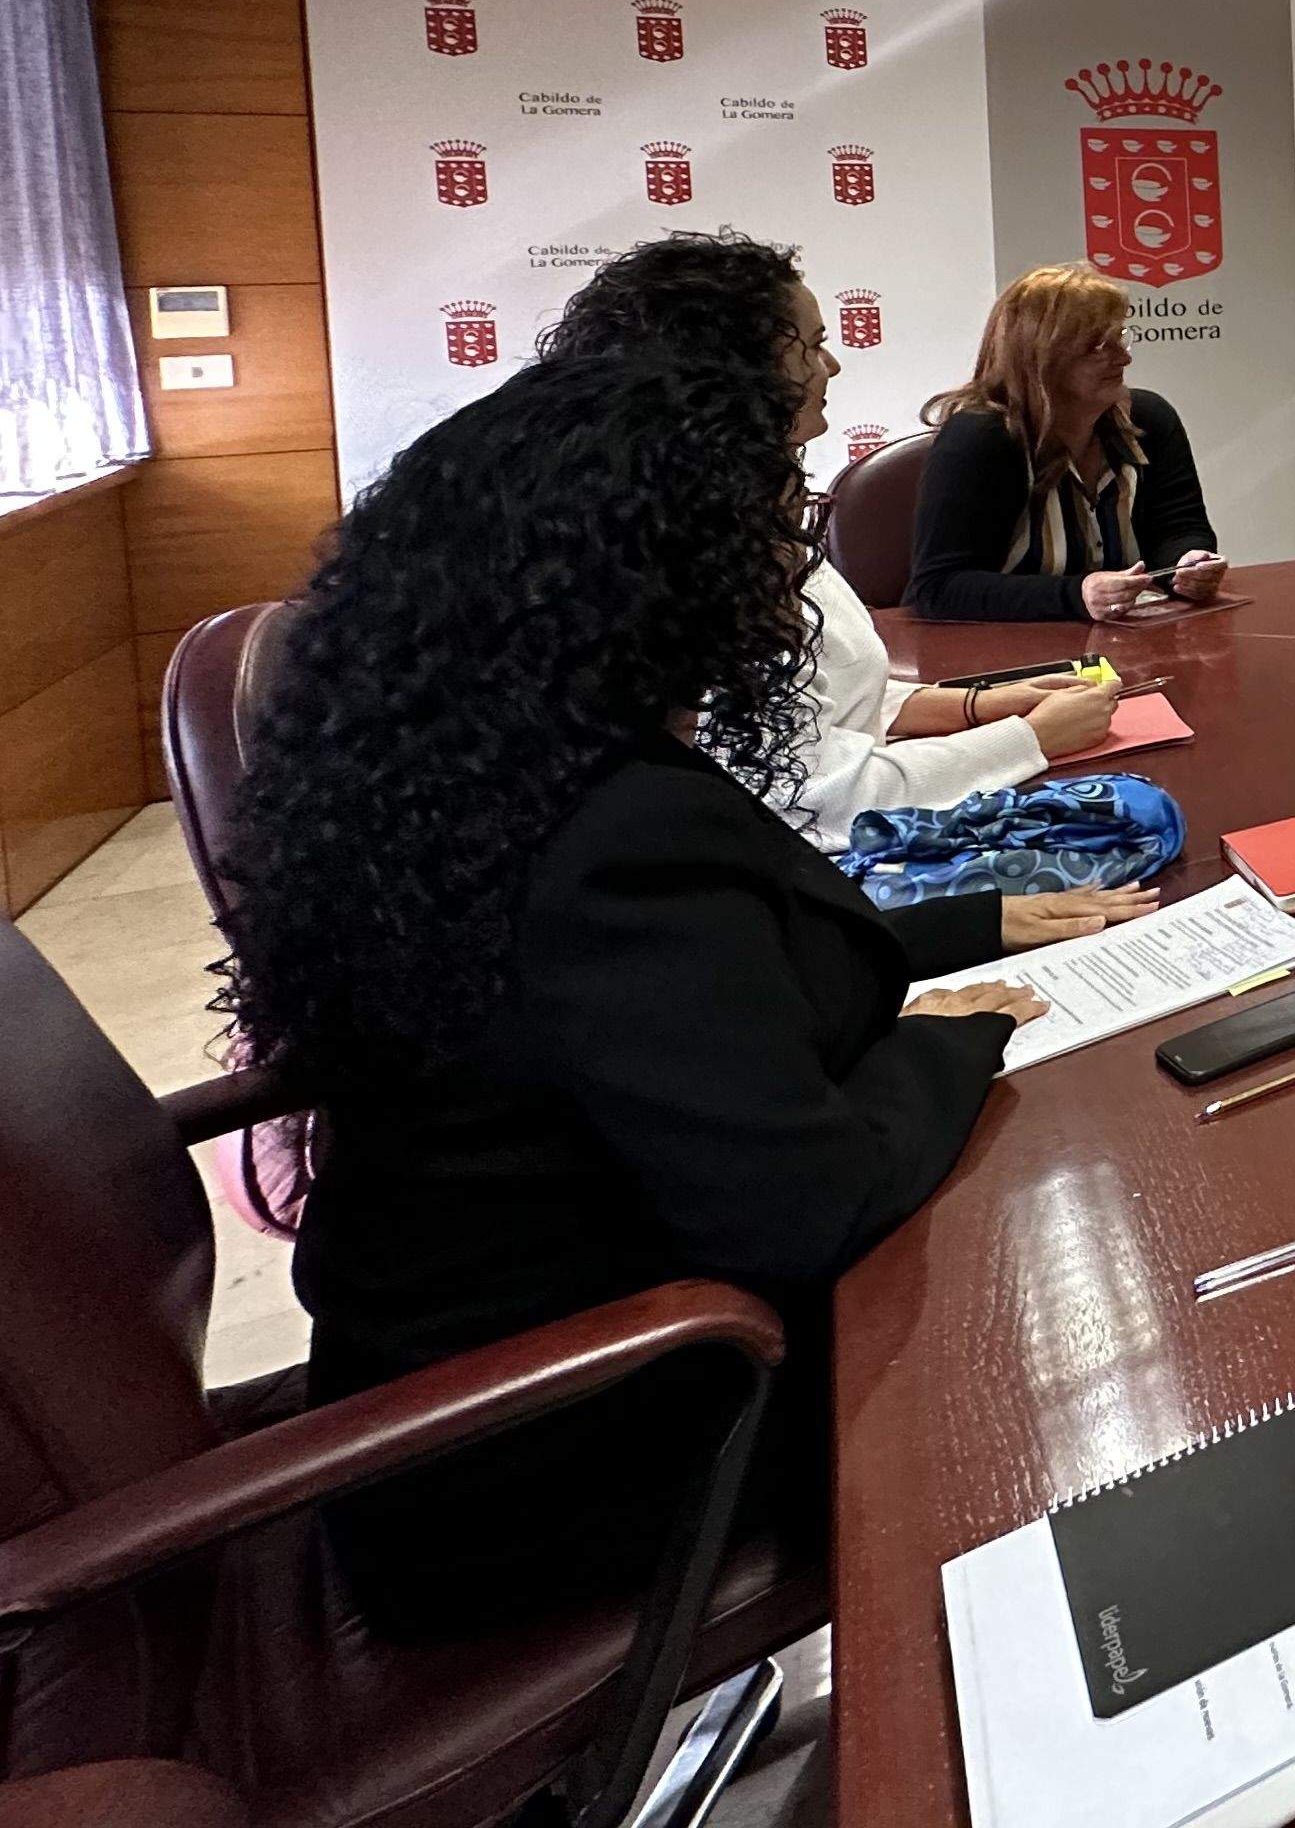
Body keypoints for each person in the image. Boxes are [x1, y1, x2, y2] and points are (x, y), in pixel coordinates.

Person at [221, 354, 1154, 1638]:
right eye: (768, 527)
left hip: (460, 1380)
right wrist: (955, 1037)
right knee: (1069, 1322)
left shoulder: (474, 770)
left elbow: (703, 989)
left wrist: (961, 926)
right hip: (566, 1454)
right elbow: (810, 1204)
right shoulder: (616, 833)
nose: (793, 561)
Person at [539, 234, 1120, 848]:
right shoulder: (686, 556)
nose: (832, 365)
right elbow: (813, 797)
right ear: (735, 372)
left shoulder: (735, 504)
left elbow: (828, 694)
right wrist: (1030, 740)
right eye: (814, 345)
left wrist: (975, 706)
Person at [906, 266, 1231, 623]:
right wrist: (1076, 594)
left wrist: (1186, 563)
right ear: (1042, 359)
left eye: (1121, 338)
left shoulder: (1150, 420)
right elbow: (938, 587)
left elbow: (1180, 527)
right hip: (998, 647)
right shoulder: (979, 438)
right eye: (1099, 347)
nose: (1124, 358)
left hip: (1119, 638)